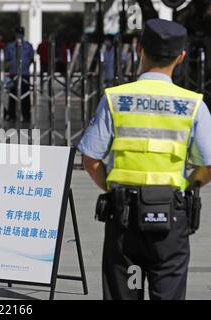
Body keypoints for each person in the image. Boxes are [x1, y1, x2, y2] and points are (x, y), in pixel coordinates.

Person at [78, 19, 211, 300]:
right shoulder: (193, 105)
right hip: (171, 217)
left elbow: (90, 159)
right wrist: (186, 190)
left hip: (124, 219)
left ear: (140, 50)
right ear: (181, 57)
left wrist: (113, 189)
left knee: (125, 290)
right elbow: (207, 165)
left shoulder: (115, 99)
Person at [5, 27, 34, 123]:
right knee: (12, 95)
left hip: (24, 73)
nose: (19, 35)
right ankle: (12, 115)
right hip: (13, 74)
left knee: (25, 96)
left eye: (21, 33)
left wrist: (25, 67)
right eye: (18, 33)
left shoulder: (28, 46)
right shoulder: (9, 46)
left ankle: (26, 116)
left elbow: (31, 58)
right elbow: (7, 59)